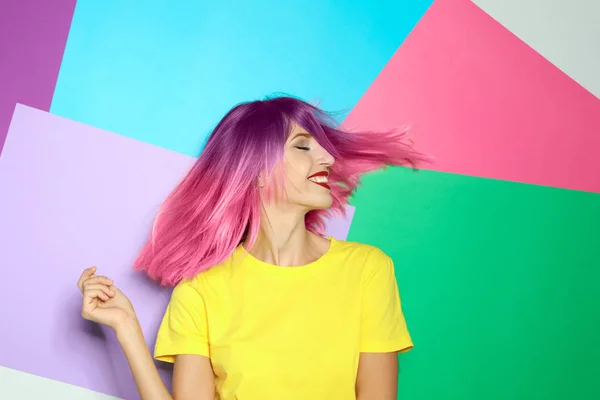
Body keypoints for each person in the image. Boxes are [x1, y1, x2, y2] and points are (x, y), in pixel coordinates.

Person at [77, 95, 430, 400]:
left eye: (323, 146)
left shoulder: (367, 269)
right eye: (303, 145)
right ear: (257, 170)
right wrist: (126, 328)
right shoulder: (202, 289)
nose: (326, 158)